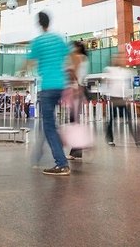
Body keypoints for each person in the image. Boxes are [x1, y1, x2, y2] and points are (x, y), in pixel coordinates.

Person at [25, 12, 70, 176]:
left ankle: (61, 163)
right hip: (61, 86)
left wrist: (22, 70)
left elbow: (29, 61)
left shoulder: (38, 41)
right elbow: (68, 59)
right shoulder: (58, 39)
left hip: (48, 87)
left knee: (49, 126)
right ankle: (58, 150)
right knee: (51, 125)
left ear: (39, 23)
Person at [103, 52, 140, 147]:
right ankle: (110, 139)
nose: (119, 60)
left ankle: (138, 139)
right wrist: (106, 95)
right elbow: (106, 83)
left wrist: (129, 98)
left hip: (122, 99)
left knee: (129, 119)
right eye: (117, 58)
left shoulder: (126, 72)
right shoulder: (109, 70)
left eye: (121, 58)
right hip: (113, 98)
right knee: (111, 119)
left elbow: (127, 86)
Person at [67, 40, 90, 160]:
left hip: (76, 91)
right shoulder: (84, 59)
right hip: (79, 90)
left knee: (74, 120)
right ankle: (77, 149)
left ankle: (80, 145)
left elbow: (73, 73)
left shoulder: (78, 58)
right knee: (74, 120)